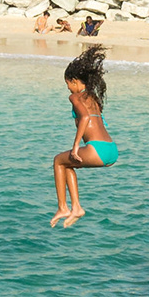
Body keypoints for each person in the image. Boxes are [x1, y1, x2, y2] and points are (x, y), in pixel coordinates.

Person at [50, 45, 117, 228]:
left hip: (97, 149)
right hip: (111, 150)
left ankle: (63, 207)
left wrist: (76, 145)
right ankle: (77, 208)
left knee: (58, 160)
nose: (69, 90)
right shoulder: (93, 97)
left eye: (68, 85)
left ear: (73, 81)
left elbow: (86, 118)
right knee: (67, 165)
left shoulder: (76, 98)